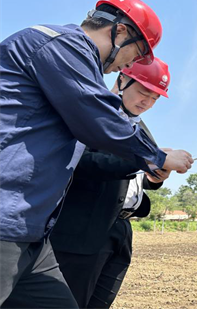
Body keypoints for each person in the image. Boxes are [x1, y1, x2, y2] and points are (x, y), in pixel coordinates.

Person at [0, 0, 193, 308]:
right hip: (6, 217)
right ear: (119, 31)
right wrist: (157, 156)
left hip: (33, 233)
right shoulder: (62, 45)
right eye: (136, 53)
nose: (130, 63)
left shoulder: (77, 67)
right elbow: (99, 123)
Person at [50, 58, 172, 308]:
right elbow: (82, 163)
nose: (146, 103)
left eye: (154, 98)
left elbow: (132, 174)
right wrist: (148, 158)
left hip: (121, 229)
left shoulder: (141, 128)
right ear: (122, 79)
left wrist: (154, 177)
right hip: (83, 229)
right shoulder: (93, 114)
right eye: (142, 92)